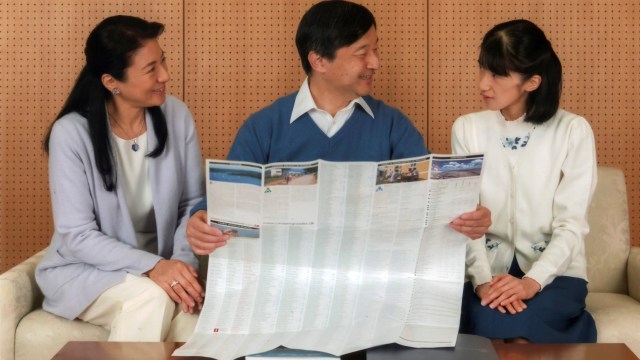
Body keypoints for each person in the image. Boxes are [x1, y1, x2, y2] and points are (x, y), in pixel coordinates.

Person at [186, 0, 491, 255]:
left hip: (373, 284)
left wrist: (468, 217)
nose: (375, 62)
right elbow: (221, 204)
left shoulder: (392, 126)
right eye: (362, 52)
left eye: (375, 49)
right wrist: (201, 221)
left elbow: (432, 200)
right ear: (318, 60)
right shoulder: (264, 126)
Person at [36, 15, 205, 341]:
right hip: (87, 272)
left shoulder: (178, 115)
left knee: (173, 303)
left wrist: (180, 267)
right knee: (151, 296)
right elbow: (78, 235)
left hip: (163, 266)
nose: (165, 76)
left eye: (163, 61)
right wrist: (155, 267)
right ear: (112, 81)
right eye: (151, 69)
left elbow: (192, 204)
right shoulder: (70, 133)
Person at [452, 19, 597, 343]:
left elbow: (572, 225)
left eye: (497, 74)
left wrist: (532, 282)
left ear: (532, 82)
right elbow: (467, 218)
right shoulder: (467, 128)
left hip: (556, 275)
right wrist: (482, 281)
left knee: (519, 334)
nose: (483, 84)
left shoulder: (573, 130)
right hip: (488, 272)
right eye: (482, 70)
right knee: (488, 324)